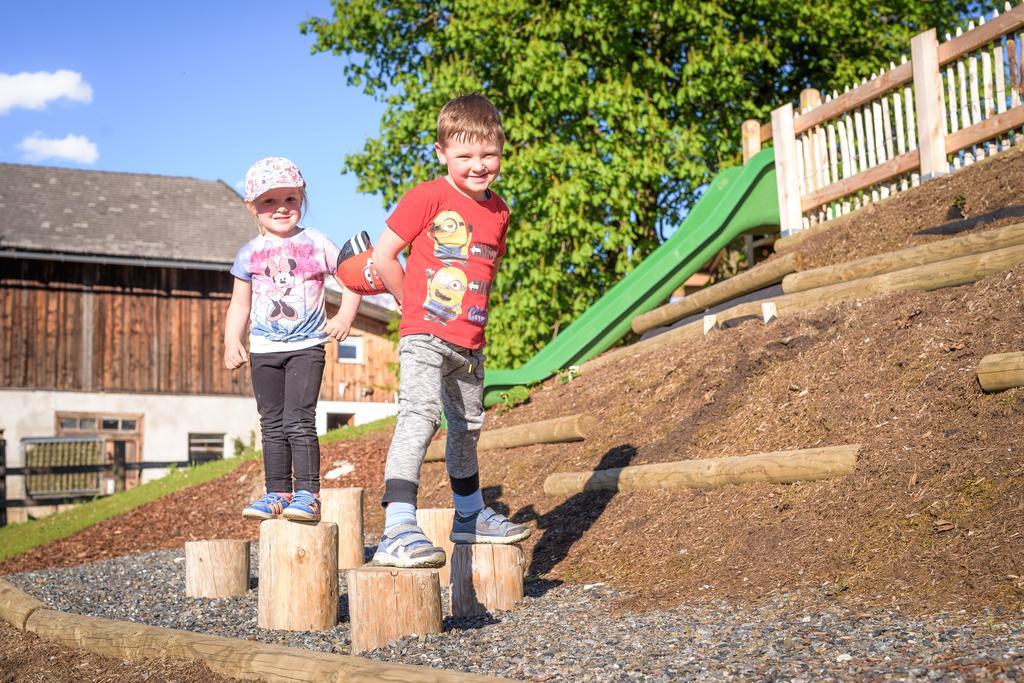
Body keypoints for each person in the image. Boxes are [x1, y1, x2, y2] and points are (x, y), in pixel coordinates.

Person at [369, 94, 530, 568]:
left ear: (501, 150)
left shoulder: (499, 211)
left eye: (488, 155)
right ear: (442, 154)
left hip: (469, 341)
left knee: (467, 428)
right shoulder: (428, 196)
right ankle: (397, 526)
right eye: (465, 156)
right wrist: (408, 304)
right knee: (419, 415)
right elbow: (383, 257)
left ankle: (470, 514)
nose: (478, 165)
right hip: (424, 332)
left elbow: (484, 273)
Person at [224, 156, 361, 523]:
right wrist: (231, 340)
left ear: (302, 199)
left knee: (299, 419)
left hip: (306, 346)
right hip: (264, 349)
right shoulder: (249, 253)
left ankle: (307, 494)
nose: (281, 208)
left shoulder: (316, 242)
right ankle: (277, 493)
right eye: (269, 201)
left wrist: (345, 315)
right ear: (252, 207)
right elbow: (240, 302)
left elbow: (352, 279)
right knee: (271, 423)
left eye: (290, 199)